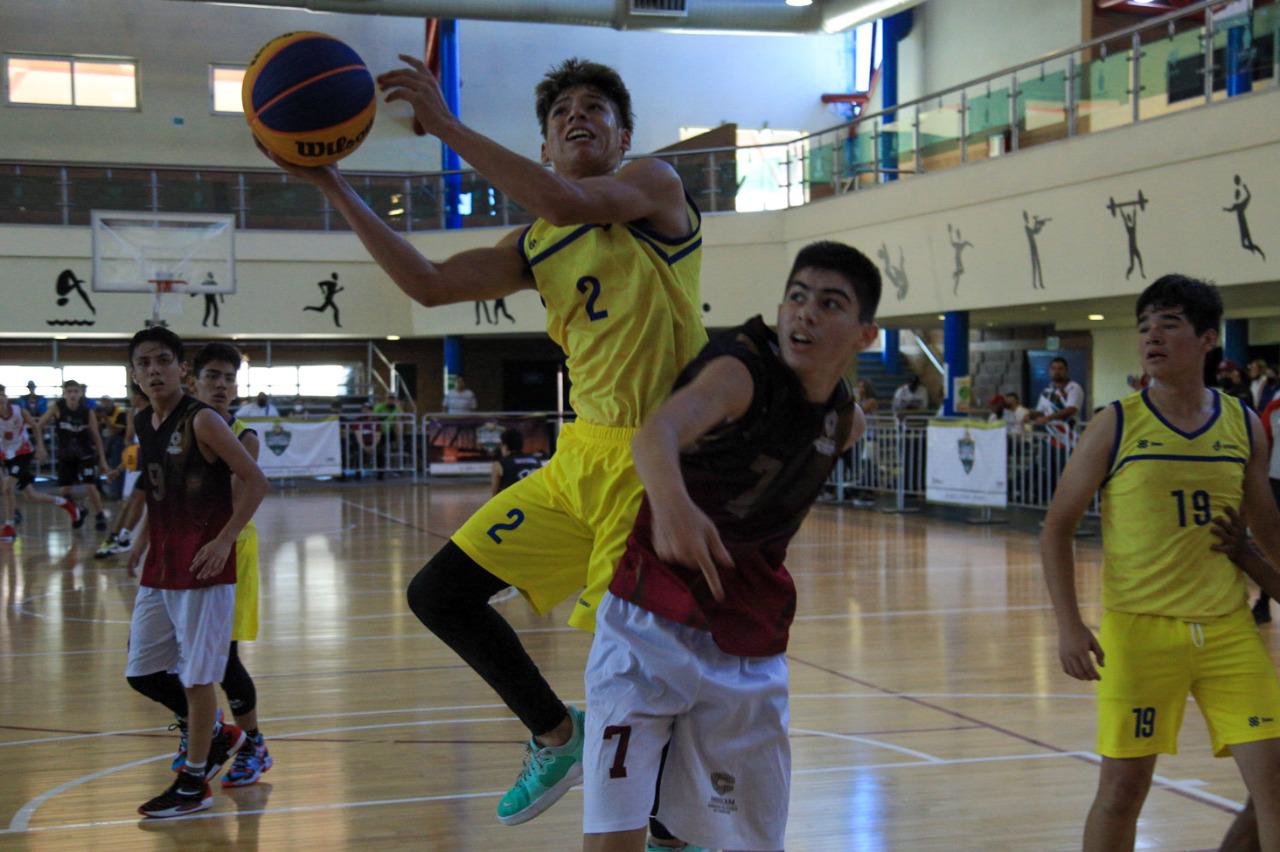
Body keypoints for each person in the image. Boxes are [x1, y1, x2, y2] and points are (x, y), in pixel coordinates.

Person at [258, 56, 705, 831]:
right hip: (578, 461)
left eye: (596, 108)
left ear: (624, 136)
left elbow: (566, 200)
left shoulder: (654, 187)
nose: (578, 116)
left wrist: (446, 124)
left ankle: (667, 831)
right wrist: (333, 185)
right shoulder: (539, 242)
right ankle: (553, 735)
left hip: (655, 468)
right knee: (439, 593)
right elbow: (428, 285)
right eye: (562, 111)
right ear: (543, 145)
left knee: (624, 679)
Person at [582, 241, 880, 852]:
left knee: (739, 840)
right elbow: (656, 433)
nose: (805, 314)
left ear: (865, 334)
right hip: (647, 625)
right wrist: (674, 507)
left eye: (829, 304)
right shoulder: (739, 373)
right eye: (797, 298)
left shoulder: (844, 421)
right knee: (614, 835)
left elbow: (823, 442)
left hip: (744, 639)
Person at [1039, 274, 1280, 852]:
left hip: (1227, 630)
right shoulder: (1115, 423)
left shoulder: (1243, 424)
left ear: (1206, 339)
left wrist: (1253, 557)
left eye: (1168, 323)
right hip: (1140, 631)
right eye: (1144, 325)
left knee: (1275, 781)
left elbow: (1268, 529)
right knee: (1123, 789)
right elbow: (1056, 527)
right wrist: (1070, 624)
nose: (1151, 335)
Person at [123, 327, 269, 817]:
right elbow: (158, 490)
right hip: (161, 567)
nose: (154, 370)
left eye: (163, 360)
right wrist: (139, 542)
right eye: (144, 363)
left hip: (206, 568)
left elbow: (255, 480)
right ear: (135, 373)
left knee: (201, 674)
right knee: (141, 672)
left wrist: (225, 537)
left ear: (179, 368)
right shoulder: (145, 421)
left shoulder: (204, 421)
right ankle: (218, 733)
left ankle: (194, 783)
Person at [0, 384, 80, 542]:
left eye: (2, 393)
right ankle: (65, 503)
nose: (1, 397)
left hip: (23, 453)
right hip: (6, 455)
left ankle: (9, 527)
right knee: (31, 496)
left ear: (6, 396)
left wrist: (41, 447)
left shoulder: (18, 410)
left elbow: (36, 427)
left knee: (7, 487)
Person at [37, 380, 110, 532]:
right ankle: (79, 510)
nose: (72, 395)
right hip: (66, 455)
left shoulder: (87, 412)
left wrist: (102, 460)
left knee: (90, 486)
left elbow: (96, 437)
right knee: (64, 492)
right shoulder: (57, 408)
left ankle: (100, 515)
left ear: (80, 393)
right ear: (64, 394)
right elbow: (38, 425)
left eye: (75, 392)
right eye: (69, 392)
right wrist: (41, 446)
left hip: (85, 454)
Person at [96, 384, 150, 559]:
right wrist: (120, 468)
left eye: (132, 394)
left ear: (139, 395)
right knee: (130, 502)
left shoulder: (154, 412)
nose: (130, 398)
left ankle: (122, 538)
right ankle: (119, 538)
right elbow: (129, 444)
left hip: (151, 461)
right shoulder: (131, 413)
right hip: (137, 462)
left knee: (137, 502)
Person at [1251, 390, 1280, 625]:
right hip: (1276, 480)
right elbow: (1264, 445)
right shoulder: (1274, 406)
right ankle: (1262, 602)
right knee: (1271, 541)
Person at [491, 428, 545, 495]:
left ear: (505, 446)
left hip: (515, 503)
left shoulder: (499, 464)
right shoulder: (536, 460)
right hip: (538, 501)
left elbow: (495, 494)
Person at [98, 394, 127, 500]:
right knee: (105, 467)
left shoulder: (120, 413)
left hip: (118, 443)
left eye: (106, 402)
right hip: (106, 442)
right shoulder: (101, 413)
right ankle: (106, 491)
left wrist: (106, 419)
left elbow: (116, 431)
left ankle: (116, 493)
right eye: (103, 402)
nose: (104, 405)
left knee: (116, 466)